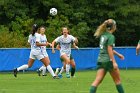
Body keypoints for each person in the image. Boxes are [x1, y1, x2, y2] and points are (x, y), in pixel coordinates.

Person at [90, 19, 125, 93]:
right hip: (108, 61)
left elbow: (108, 48)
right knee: (117, 80)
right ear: (113, 27)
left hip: (100, 60)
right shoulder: (111, 36)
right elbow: (109, 49)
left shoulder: (103, 35)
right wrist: (114, 62)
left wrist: (118, 55)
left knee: (97, 81)